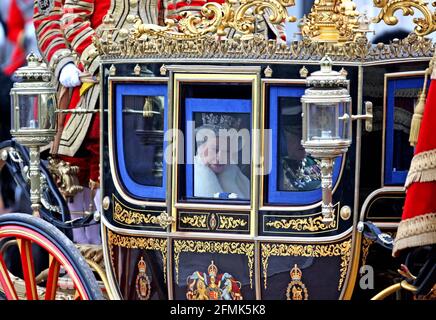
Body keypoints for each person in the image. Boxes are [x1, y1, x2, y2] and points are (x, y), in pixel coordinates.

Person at [193, 113, 250, 200]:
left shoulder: (235, 173)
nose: (221, 158)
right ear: (202, 148)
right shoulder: (190, 174)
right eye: (215, 150)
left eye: (227, 151)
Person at [278, 105, 321, 191]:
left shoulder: (315, 160)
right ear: (282, 136)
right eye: (297, 133)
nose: (303, 140)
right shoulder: (276, 170)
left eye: (306, 135)